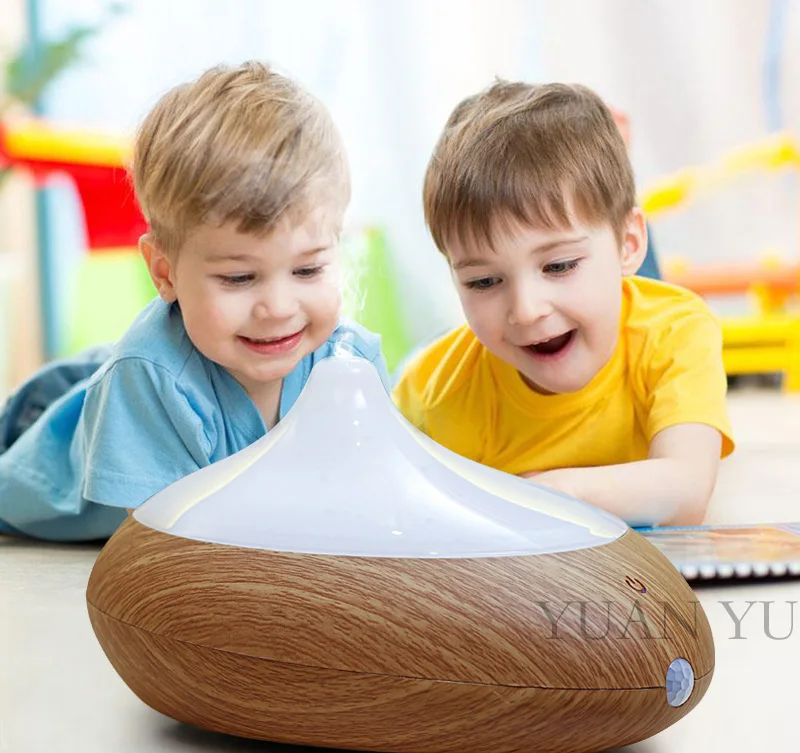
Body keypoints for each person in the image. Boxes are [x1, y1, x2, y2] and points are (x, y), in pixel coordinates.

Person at [0, 61, 388, 541]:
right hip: (43, 449)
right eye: (239, 278)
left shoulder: (352, 363)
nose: (279, 307)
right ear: (165, 273)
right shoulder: (151, 379)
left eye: (308, 270)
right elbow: (165, 546)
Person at [392, 80, 734, 528]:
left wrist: (552, 494)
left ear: (630, 243)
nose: (526, 310)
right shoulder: (433, 392)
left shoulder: (676, 331)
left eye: (558, 266)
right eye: (484, 281)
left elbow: (685, 491)